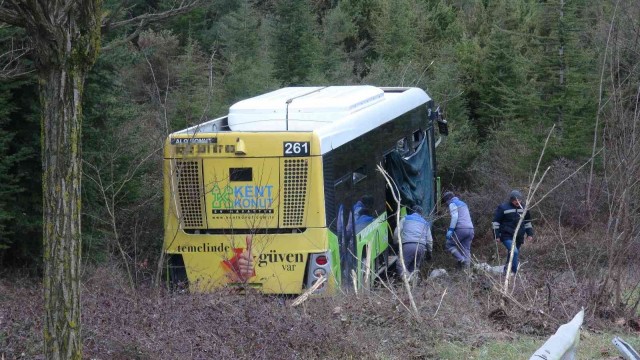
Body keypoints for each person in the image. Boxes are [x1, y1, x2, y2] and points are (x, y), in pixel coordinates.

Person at [492, 190, 534, 274]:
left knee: (512, 254)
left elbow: (527, 222)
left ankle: (506, 271)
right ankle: (515, 273)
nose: (518, 202)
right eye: (516, 200)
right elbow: (495, 222)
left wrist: (530, 234)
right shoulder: (503, 207)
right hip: (506, 235)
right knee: (514, 251)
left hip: (519, 235)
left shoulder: (524, 208)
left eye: (519, 200)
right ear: (511, 200)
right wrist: (496, 235)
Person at [395, 205, 433, 278]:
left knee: (400, 265)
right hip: (421, 247)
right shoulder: (425, 223)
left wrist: (396, 242)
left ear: (411, 211)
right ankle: (413, 286)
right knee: (414, 268)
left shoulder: (405, 218)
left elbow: (397, 232)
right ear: (421, 214)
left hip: (408, 245)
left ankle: (408, 280)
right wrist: (429, 252)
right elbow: (429, 240)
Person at [442, 191, 474, 269]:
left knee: (449, 244)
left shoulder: (452, 203)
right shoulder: (463, 203)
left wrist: (451, 229)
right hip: (471, 229)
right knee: (466, 249)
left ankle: (461, 259)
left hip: (461, 229)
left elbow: (455, 217)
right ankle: (467, 270)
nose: (446, 204)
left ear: (448, 200)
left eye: (446, 202)